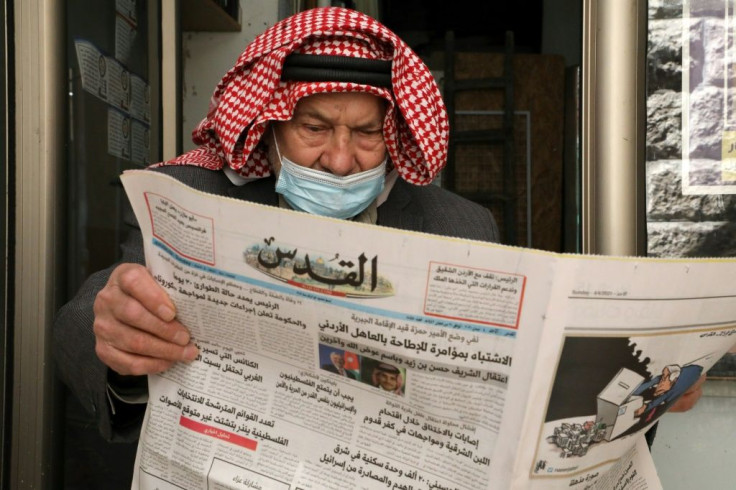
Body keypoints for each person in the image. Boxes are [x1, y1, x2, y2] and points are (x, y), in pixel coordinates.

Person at [53, 7, 499, 443]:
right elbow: (84, 322)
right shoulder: (188, 195)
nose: (341, 161)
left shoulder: (462, 228)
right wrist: (115, 337)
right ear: (269, 127)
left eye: (368, 133)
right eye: (313, 128)